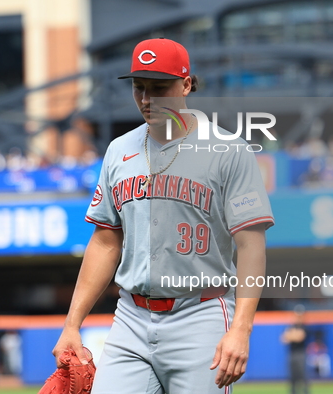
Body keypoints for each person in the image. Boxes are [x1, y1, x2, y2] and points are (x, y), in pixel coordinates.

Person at [52, 38, 274, 394]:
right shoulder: (119, 150)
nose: (146, 99)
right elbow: (106, 241)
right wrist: (72, 324)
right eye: (139, 88)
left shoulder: (229, 150)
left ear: (186, 84)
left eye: (159, 88)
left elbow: (251, 246)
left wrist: (241, 329)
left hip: (199, 313)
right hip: (131, 317)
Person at [281, 305, 308, 394]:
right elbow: (284, 339)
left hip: (301, 354)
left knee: (303, 376)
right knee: (292, 377)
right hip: (292, 354)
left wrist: (291, 335)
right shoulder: (291, 326)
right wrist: (293, 335)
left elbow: (300, 337)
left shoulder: (304, 326)